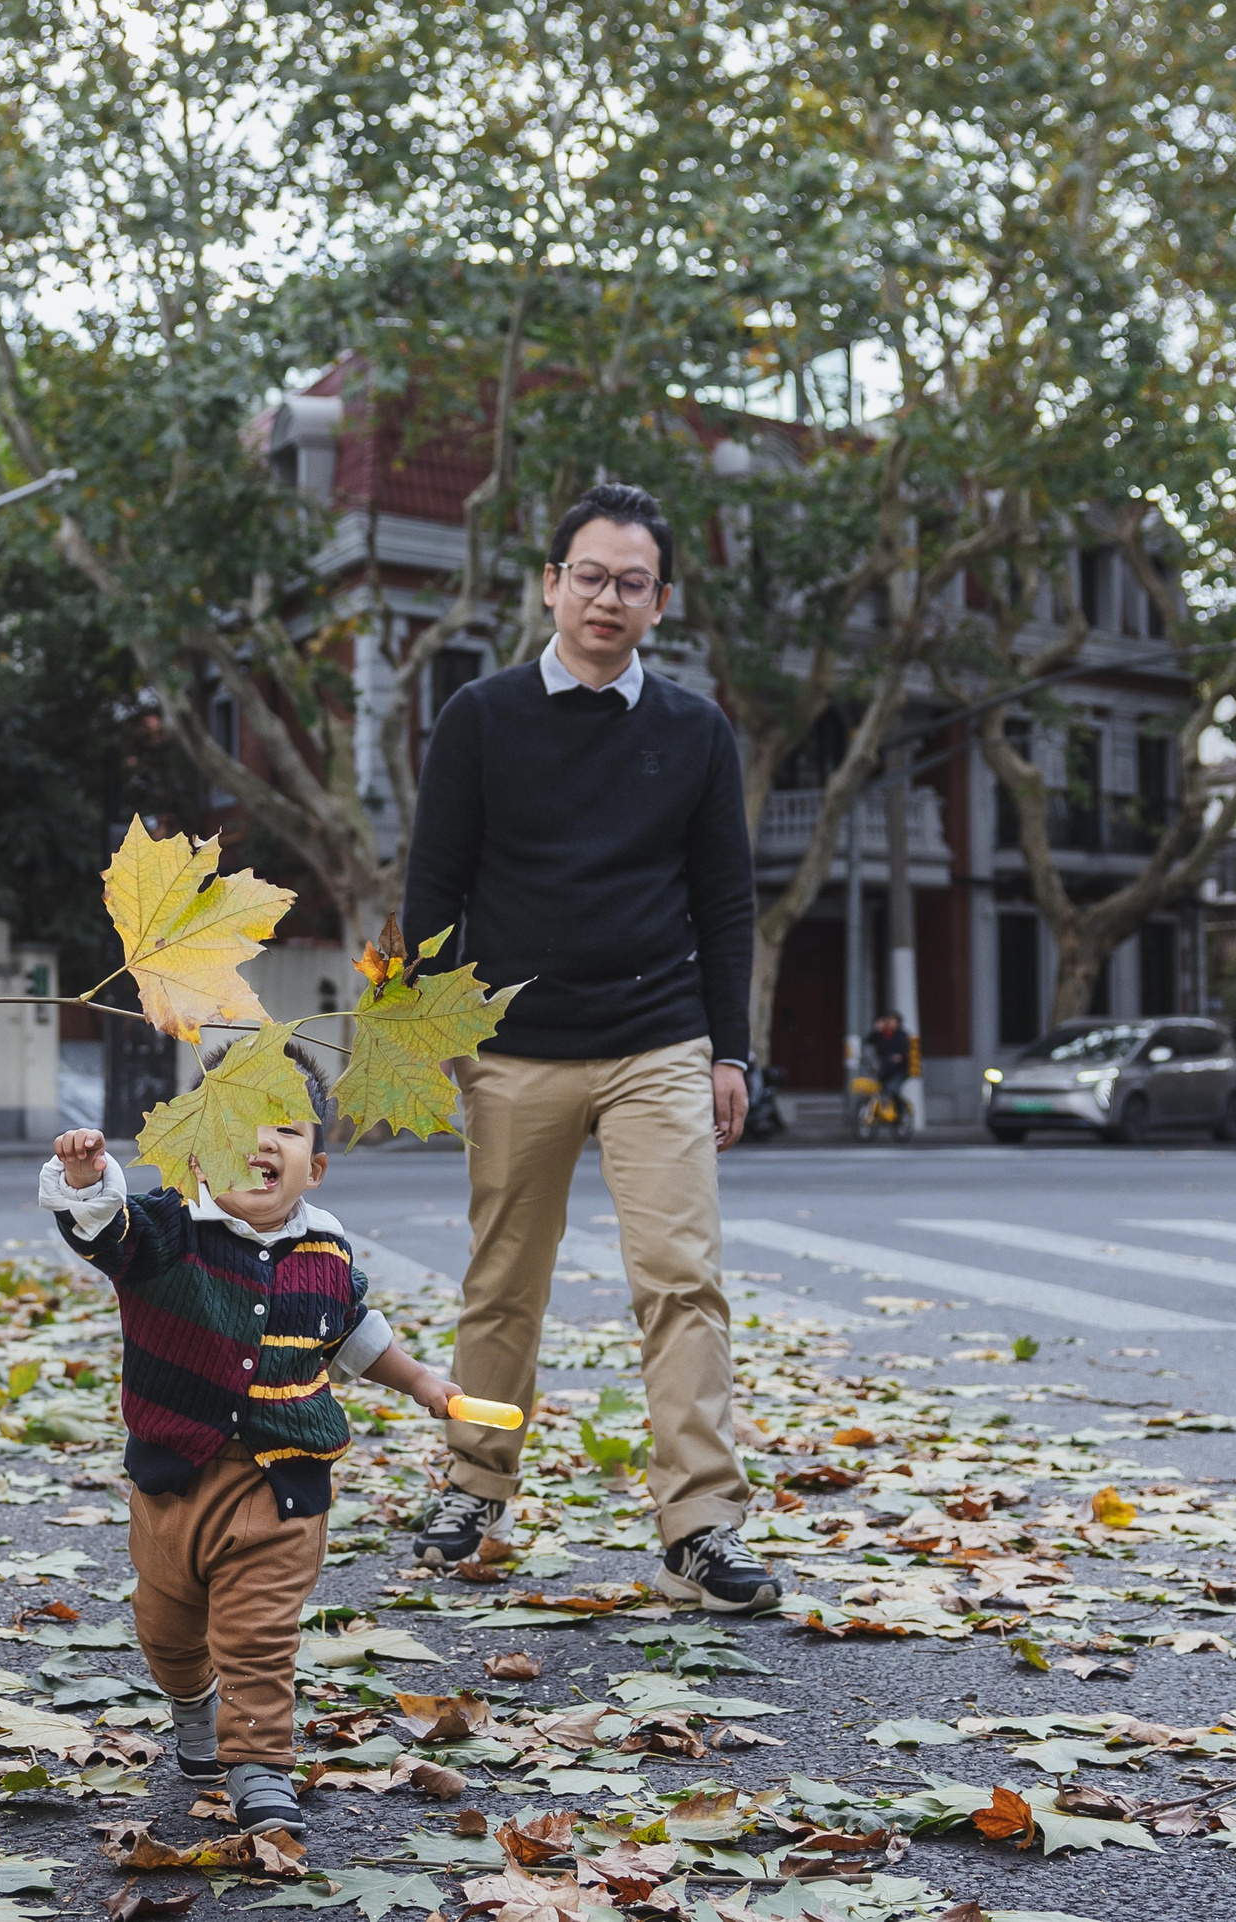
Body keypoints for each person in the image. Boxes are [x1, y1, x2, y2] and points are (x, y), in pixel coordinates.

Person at [399, 481, 777, 1612]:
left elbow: (725, 903)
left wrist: (731, 1050)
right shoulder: (479, 716)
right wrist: (427, 1034)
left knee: (682, 1280)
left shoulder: (695, 730)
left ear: (662, 601)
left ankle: (700, 1524)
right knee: (502, 1284)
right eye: (590, 575)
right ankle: (472, 1486)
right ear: (550, 583)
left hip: (658, 1038)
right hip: (512, 1050)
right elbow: (435, 888)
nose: (608, 597)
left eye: (633, 581)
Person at [39, 1051, 459, 1837]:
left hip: (281, 1483)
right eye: (239, 1121)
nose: (262, 1142)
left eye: (287, 1128)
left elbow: (353, 1334)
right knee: (168, 1632)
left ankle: (259, 1764)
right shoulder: (166, 1230)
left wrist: (424, 1382)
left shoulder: (326, 1253)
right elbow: (104, 1234)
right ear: (197, 1146)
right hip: (174, 1484)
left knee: (257, 1633)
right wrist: (90, 1181)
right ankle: (193, 1708)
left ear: (317, 1166)